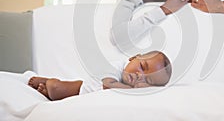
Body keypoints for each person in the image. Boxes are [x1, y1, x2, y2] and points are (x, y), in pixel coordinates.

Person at [28, 51, 172, 101]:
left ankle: (48, 88)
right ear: (133, 57)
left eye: (148, 80)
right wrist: (135, 89)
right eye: (142, 67)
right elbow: (108, 85)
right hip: (82, 89)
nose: (140, 76)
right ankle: (48, 82)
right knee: (56, 89)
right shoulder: (117, 66)